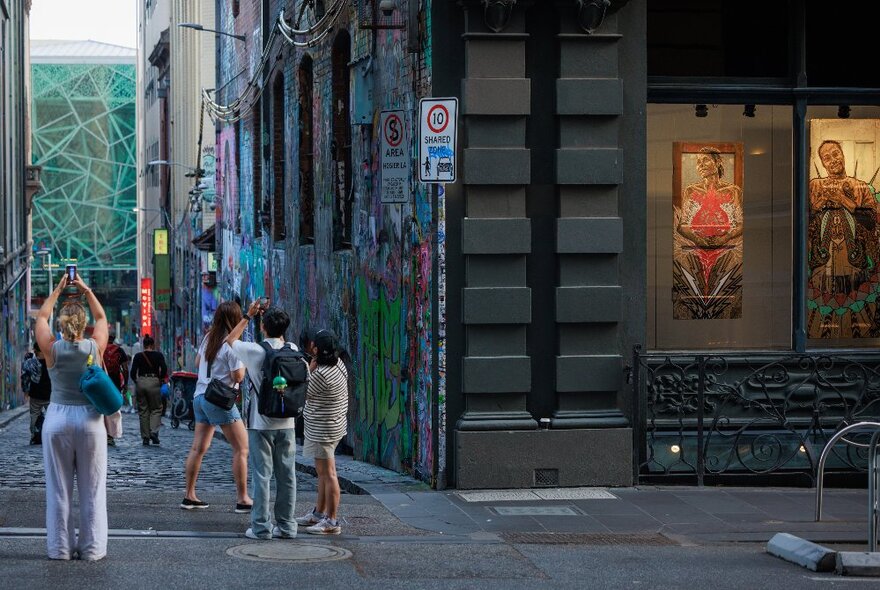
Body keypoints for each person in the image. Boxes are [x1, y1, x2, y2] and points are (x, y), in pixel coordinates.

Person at [34, 273, 110, 561]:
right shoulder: (94, 347)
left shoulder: (51, 349)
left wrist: (57, 290)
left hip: (57, 418)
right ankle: (92, 549)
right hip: (90, 420)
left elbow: (41, 318)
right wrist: (87, 290)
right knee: (92, 490)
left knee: (58, 490)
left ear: (62, 324)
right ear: (83, 324)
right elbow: (102, 318)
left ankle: (60, 548)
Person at [226, 300, 305, 540]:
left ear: (264, 327)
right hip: (288, 423)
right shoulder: (293, 349)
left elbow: (230, 340)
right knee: (287, 476)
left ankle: (261, 527)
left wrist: (247, 316)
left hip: (261, 424)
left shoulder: (255, 351)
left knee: (262, 476)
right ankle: (287, 526)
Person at [182, 301, 253, 513]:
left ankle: (189, 495)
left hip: (200, 397)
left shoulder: (208, 338)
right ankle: (242, 498)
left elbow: (197, 363)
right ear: (235, 319)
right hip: (219, 400)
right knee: (241, 448)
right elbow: (237, 376)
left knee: (198, 448)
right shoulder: (232, 345)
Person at [808, 140, 880, 338]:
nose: (833, 160)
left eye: (835, 153)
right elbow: (803, 219)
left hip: (854, 257)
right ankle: (819, 335)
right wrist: (820, 203)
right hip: (823, 258)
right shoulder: (814, 185)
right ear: (822, 163)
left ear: (843, 154)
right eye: (826, 157)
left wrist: (844, 201)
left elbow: (872, 222)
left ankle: (857, 335)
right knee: (822, 297)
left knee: (855, 296)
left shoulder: (861, 187)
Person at [673, 146, 744, 319]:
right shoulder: (691, 191)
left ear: (717, 162)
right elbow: (682, 226)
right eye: (697, 162)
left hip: (726, 249)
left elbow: (740, 223)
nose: (701, 165)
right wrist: (698, 239)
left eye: (705, 160)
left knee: (725, 292)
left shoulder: (733, 191)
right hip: (695, 249)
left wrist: (726, 237)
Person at [297, 330, 348, 535]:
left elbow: (304, 393)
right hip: (331, 425)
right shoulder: (339, 365)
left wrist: (310, 367)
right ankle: (319, 514)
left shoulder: (320, 374)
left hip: (323, 429)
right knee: (322, 473)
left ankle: (332, 521)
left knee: (329, 474)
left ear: (316, 350)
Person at [130, 335, 168, 446]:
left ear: (144, 345)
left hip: (141, 381)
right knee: (156, 408)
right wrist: (160, 379)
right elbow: (164, 369)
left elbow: (133, 372)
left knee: (143, 411)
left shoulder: (138, 356)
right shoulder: (158, 355)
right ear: (152, 345)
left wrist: (137, 381)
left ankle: (145, 437)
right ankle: (153, 431)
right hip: (154, 381)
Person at [102, 334, 129, 447]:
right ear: (114, 340)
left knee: (101, 409)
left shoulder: (99, 349)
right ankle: (110, 436)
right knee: (113, 410)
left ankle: (102, 433)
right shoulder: (119, 351)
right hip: (115, 383)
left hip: (101, 382)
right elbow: (125, 369)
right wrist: (125, 383)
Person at [22, 343, 52, 445]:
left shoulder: (30, 362)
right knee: (52, 416)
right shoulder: (52, 361)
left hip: (36, 394)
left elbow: (25, 378)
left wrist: (26, 391)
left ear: (35, 350)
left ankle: (34, 435)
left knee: (34, 416)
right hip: (49, 395)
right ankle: (51, 436)